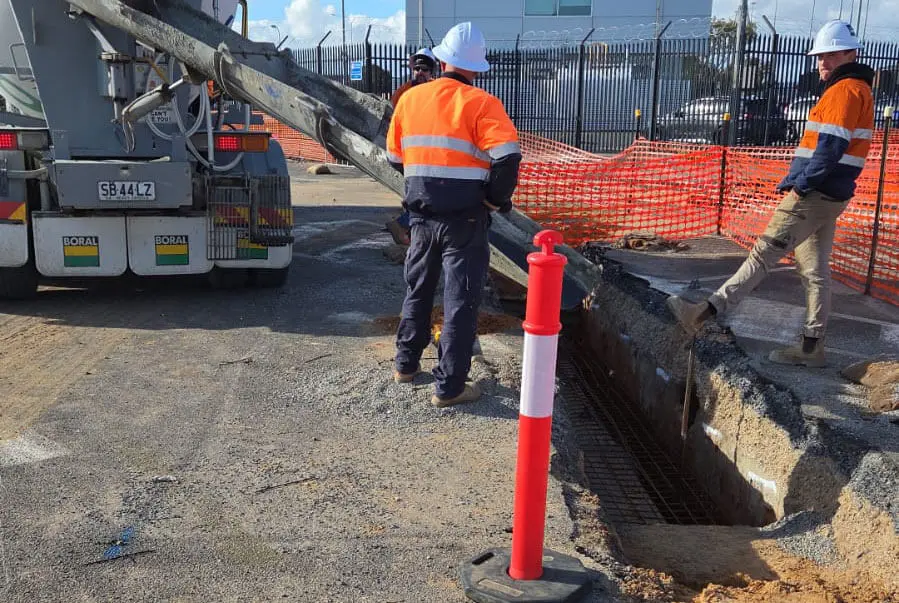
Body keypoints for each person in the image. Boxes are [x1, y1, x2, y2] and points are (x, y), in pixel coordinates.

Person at [666, 20, 874, 368]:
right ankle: (811, 348)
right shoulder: (859, 90)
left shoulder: (845, 91)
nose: (822, 63)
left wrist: (803, 185)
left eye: (830, 56)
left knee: (763, 254)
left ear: (850, 54)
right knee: (815, 271)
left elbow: (829, 148)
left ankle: (704, 313)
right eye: (820, 56)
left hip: (814, 195)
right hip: (830, 196)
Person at [386, 22, 522, 407]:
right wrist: (494, 200)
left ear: (441, 59)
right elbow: (508, 157)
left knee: (418, 289)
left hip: (421, 215)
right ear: (476, 68)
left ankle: (406, 364)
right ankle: (449, 388)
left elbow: (396, 157)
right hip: (465, 218)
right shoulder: (482, 104)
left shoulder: (410, 101)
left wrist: (424, 185)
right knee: (460, 299)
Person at [386, 48, 439, 246]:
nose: (420, 73)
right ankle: (408, 229)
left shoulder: (437, 91)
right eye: (416, 68)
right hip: (411, 155)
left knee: (420, 196)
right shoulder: (403, 92)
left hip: (429, 154)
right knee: (418, 196)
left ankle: (407, 228)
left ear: (432, 71)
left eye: (424, 69)